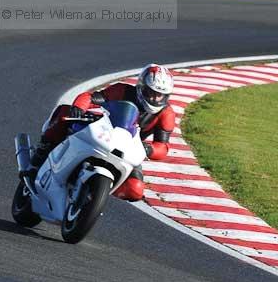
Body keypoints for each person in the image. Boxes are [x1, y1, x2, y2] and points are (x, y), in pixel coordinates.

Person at [27, 63, 175, 201]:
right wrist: (80, 107)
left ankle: (98, 192)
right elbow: (90, 97)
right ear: (142, 87)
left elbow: (163, 146)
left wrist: (149, 149)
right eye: (151, 92)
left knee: (135, 190)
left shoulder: (166, 114)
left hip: (130, 149)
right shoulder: (122, 90)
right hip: (105, 131)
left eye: (160, 95)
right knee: (66, 112)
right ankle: (41, 153)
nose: (155, 98)